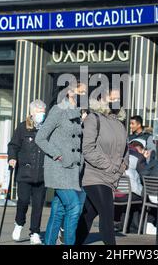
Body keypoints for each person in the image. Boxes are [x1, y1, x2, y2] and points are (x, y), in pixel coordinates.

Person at [76, 90, 129, 245]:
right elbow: (88, 149)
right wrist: (110, 166)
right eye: (112, 97)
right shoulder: (93, 119)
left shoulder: (119, 124)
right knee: (107, 216)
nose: (116, 100)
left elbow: (125, 151)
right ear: (101, 99)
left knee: (88, 215)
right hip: (94, 176)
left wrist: (122, 167)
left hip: (111, 177)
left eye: (119, 97)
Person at [35, 83, 84, 245]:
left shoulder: (77, 113)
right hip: (58, 168)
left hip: (73, 170)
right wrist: (58, 155)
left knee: (58, 211)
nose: (84, 93)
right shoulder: (58, 110)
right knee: (74, 207)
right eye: (80, 90)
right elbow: (40, 138)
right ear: (69, 92)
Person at [8, 100, 47, 245]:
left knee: (38, 205)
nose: (41, 114)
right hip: (25, 172)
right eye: (39, 111)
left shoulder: (47, 128)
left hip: (42, 174)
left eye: (43, 111)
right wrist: (12, 158)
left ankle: (35, 232)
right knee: (23, 201)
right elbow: (13, 145)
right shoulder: (22, 127)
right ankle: (19, 223)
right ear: (31, 112)